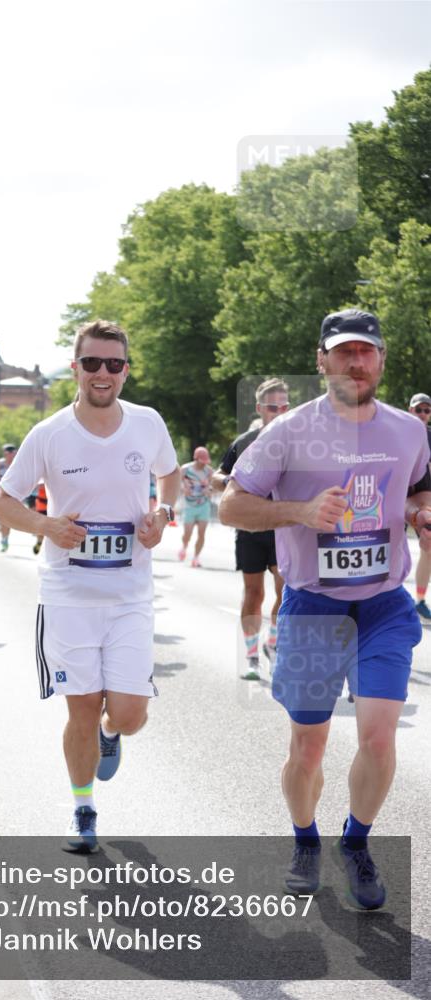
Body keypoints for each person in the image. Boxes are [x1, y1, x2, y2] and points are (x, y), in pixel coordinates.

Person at [219, 308, 430, 910]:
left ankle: (355, 843)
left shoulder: (409, 430)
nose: (356, 362)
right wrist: (300, 512)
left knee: (381, 737)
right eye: (343, 352)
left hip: (384, 605)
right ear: (322, 361)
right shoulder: (285, 431)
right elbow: (234, 505)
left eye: (366, 352)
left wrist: (419, 513)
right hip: (313, 605)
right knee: (308, 744)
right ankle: (305, 839)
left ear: (382, 360)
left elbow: (420, 484)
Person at [0, 319, 180, 853]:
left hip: (130, 595)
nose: (103, 373)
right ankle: (83, 809)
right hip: (69, 594)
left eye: (113, 364)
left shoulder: (147, 424)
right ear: (76, 368)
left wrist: (162, 512)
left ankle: (112, 732)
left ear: (125, 370)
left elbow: (170, 476)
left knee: (128, 713)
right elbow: (1, 502)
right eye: (92, 363)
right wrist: (47, 525)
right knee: (80, 706)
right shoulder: (49, 433)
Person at [212, 379, 289, 679]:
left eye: (285, 407)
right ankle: (252, 655)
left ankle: (273, 643)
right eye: (273, 407)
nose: (280, 412)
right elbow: (219, 476)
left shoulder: (300, 442)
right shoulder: (245, 442)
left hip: (283, 527)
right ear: (259, 408)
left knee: (286, 592)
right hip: (249, 529)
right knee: (254, 593)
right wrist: (227, 482)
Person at [408, 392, 431, 621]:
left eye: (427, 410)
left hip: (425, 503)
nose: (423, 414)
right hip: (402, 500)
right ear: (410, 410)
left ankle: (420, 601)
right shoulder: (401, 436)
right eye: (419, 409)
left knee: (428, 549)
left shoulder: (430, 436)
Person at [178, 446, 213, 568]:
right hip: (189, 505)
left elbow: (212, 486)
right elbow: (177, 484)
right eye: (201, 461)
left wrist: (209, 490)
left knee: (201, 533)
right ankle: (184, 547)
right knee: (187, 533)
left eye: (205, 462)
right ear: (196, 458)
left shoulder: (208, 471)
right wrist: (183, 489)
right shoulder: (185, 469)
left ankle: (196, 558)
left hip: (204, 504)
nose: (203, 464)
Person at [0, 444, 17, 552]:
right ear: (5, 453)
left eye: (13, 453)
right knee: (2, 519)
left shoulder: (17, 463)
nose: (11, 455)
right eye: (9, 453)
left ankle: (5, 538)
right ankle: (4, 538)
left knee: (8, 518)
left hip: (13, 494)